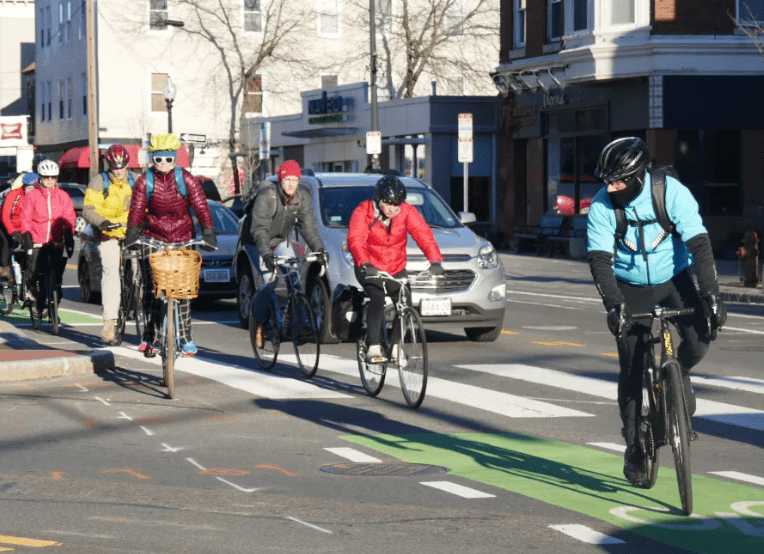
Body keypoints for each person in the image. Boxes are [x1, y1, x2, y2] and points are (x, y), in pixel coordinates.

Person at [586, 136, 727, 485]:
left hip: (673, 279)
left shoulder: (671, 193)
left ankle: (679, 374)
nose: (611, 186)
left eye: (618, 180)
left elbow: (699, 243)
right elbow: (600, 260)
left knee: (701, 335)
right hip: (629, 287)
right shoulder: (603, 206)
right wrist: (613, 305)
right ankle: (635, 445)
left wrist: (711, 295)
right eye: (607, 180)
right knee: (632, 368)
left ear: (638, 176)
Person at [124, 133, 217, 358]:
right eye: (159, 160)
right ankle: (150, 336)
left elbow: (201, 205)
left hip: (183, 238)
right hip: (154, 237)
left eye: (168, 159)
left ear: (175, 159)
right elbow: (137, 210)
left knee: (183, 288)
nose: (164, 164)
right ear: (152, 160)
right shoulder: (145, 180)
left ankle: (185, 337)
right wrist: (133, 234)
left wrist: (208, 231)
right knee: (153, 288)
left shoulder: (186, 179)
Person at [347, 174, 444, 362]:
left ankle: (396, 345)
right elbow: (356, 240)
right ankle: (373, 347)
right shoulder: (363, 211)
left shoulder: (406, 212)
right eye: (388, 203)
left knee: (404, 300)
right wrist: (365, 263)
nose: (392, 208)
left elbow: (423, 234)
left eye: (396, 204)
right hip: (369, 266)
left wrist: (435, 260)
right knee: (377, 297)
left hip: (395, 267)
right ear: (379, 200)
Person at [249, 160, 327, 348]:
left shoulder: (302, 198)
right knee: (269, 282)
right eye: (287, 179)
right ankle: (260, 323)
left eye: (295, 179)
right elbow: (259, 229)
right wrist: (266, 255)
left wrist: (320, 249)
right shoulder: (267, 195)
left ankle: (300, 328)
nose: (291, 184)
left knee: (295, 280)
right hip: (258, 243)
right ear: (280, 180)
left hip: (281, 241)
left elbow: (308, 227)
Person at [83, 144, 137, 344]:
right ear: (109, 165)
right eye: (115, 167)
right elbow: (89, 209)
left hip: (132, 234)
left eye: (123, 166)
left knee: (144, 266)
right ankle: (110, 322)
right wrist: (102, 222)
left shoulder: (136, 181)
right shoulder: (99, 182)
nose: (120, 171)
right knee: (111, 271)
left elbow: (147, 206)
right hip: (109, 234)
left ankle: (144, 307)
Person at [19, 160, 76, 326]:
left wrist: (69, 235)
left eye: (52, 177)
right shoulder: (32, 196)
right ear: (41, 178)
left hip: (56, 241)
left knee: (57, 280)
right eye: (46, 177)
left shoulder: (63, 196)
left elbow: (69, 217)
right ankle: (36, 303)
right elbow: (26, 218)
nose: (49, 180)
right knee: (35, 274)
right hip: (38, 241)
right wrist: (27, 236)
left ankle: (53, 308)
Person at [1, 172, 40, 284]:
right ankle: (5, 271)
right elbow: (6, 215)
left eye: (33, 188)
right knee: (5, 243)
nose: (30, 191)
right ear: (23, 186)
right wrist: (13, 232)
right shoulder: (14, 195)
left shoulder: (39, 197)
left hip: (27, 228)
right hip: (9, 226)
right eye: (28, 188)